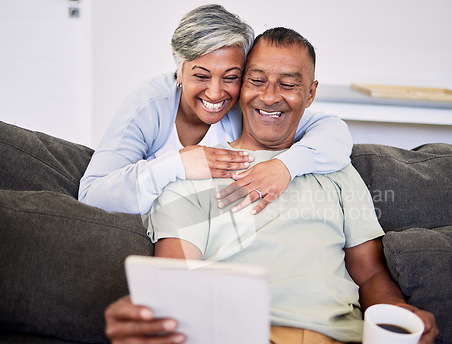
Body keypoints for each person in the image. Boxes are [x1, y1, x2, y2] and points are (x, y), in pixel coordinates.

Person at [105, 27, 438, 344]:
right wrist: (148, 313)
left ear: (310, 94)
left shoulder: (336, 168)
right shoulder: (194, 173)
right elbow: (174, 274)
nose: (269, 97)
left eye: (288, 84)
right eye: (257, 80)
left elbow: (370, 272)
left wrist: (397, 311)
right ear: (241, 86)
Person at [78, 4, 353, 215]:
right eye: (201, 76)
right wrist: (178, 164)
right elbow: (91, 195)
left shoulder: (248, 108)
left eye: (231, 77)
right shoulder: (149, 108)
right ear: (179, 71)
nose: (216, 93)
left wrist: (285, 167)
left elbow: (333, 132)